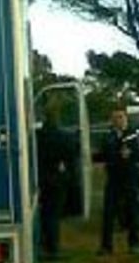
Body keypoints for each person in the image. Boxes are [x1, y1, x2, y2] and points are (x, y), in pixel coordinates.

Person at [98, 106, 139, 256]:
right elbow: (102, 154)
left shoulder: (136, 135)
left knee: (132, 211)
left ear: (126, 118)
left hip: (131, 177)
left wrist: (132, 155)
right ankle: (106, 246)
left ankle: (135, 244)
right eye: (114, 118)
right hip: (114, 177)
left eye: (120, 117)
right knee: (108, 213)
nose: (117, 120)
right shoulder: (109, 136)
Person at [36, 102, 77, 261]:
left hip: (40, 179)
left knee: (44, 213)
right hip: (57, 179)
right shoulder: (64, 136)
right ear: (57, 118)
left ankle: (44, 244)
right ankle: (53, 248)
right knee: (53, 215)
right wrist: (68, 176)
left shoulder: (38, 136)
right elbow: (70, 158)